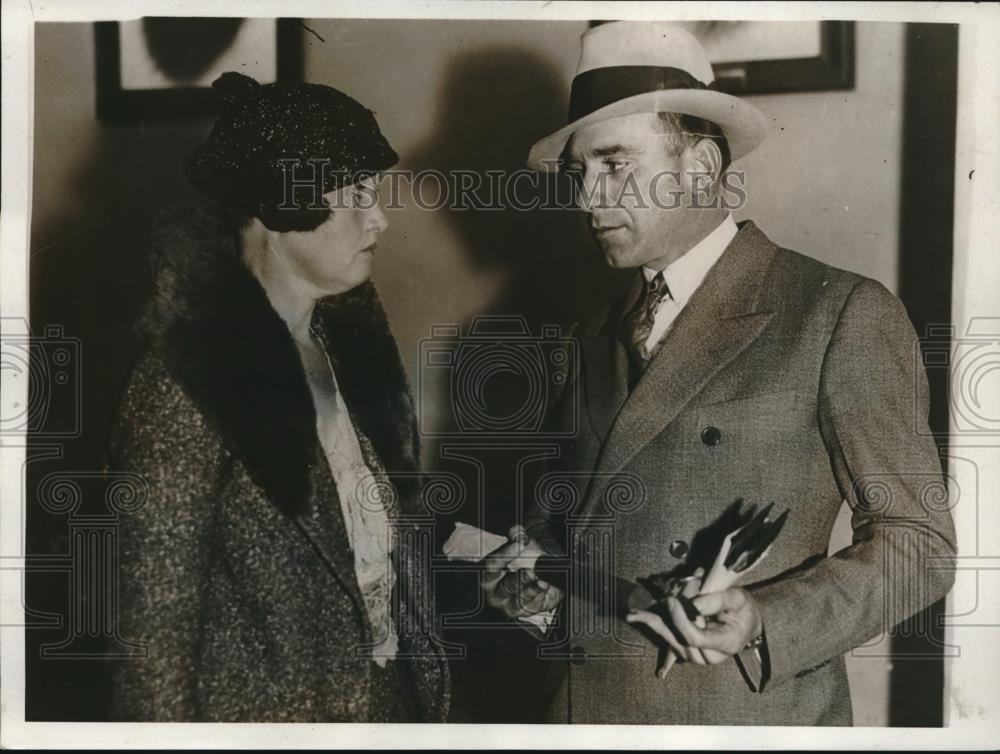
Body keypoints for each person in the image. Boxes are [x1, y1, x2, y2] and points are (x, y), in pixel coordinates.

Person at [480, 22, 956, 725]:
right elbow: (574, 536)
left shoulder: (837, 314)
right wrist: (539, 595)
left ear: (701, 168)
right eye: (579, 174)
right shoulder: (587, 336)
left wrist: (765, 617)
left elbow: (919, 546)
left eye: (615, 165)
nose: (585, 199)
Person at [106, 72, 449, 722]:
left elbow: (369, 533)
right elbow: (151, 650)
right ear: (280, 201)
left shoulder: (347, 345)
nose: (377, 215)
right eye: (355, 191)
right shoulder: (180, 382)